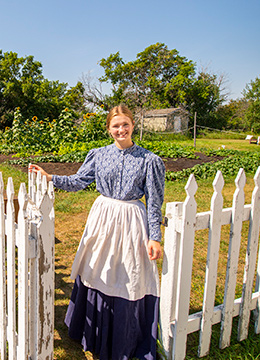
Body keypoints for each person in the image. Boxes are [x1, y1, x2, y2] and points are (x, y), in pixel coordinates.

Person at [29, 104, 165, 360]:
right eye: (116, 125)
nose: (121, 129)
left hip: (131, 221)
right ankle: (92, 331)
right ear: (109, 129)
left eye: (125, 124)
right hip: (102, 219)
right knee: (97, 269)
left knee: (128, 273)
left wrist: (154, 236)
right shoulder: (99, 155)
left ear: (133, 125)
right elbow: (79, 181)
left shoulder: (150, 160)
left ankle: (125, 337)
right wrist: (50, 178)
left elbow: (155, 202)